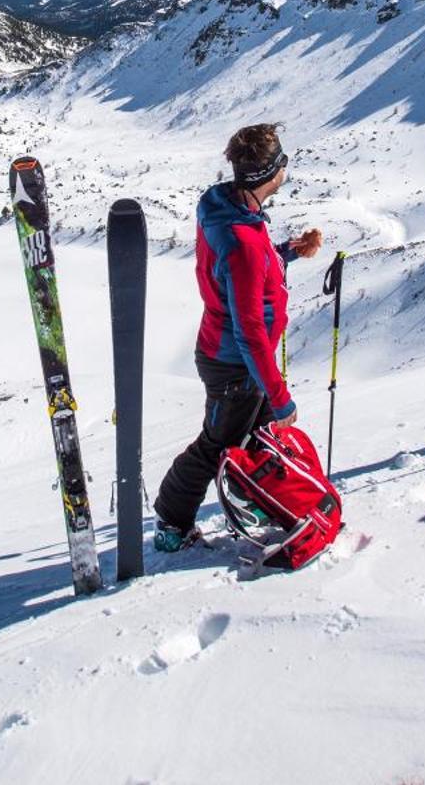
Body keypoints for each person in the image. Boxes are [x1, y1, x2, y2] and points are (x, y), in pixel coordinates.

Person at [151, 123, 323, 551]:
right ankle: (171, 524)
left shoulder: (228, 208)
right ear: (267, 173)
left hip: (234, 358)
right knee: (217, 446)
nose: (285, 167)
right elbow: (249, 332)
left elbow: (240, 269)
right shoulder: (242, 239)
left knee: (260, 438)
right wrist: (280, 396)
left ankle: (263, 503)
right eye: (281, 161)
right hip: (235, 364)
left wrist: (285, 252)